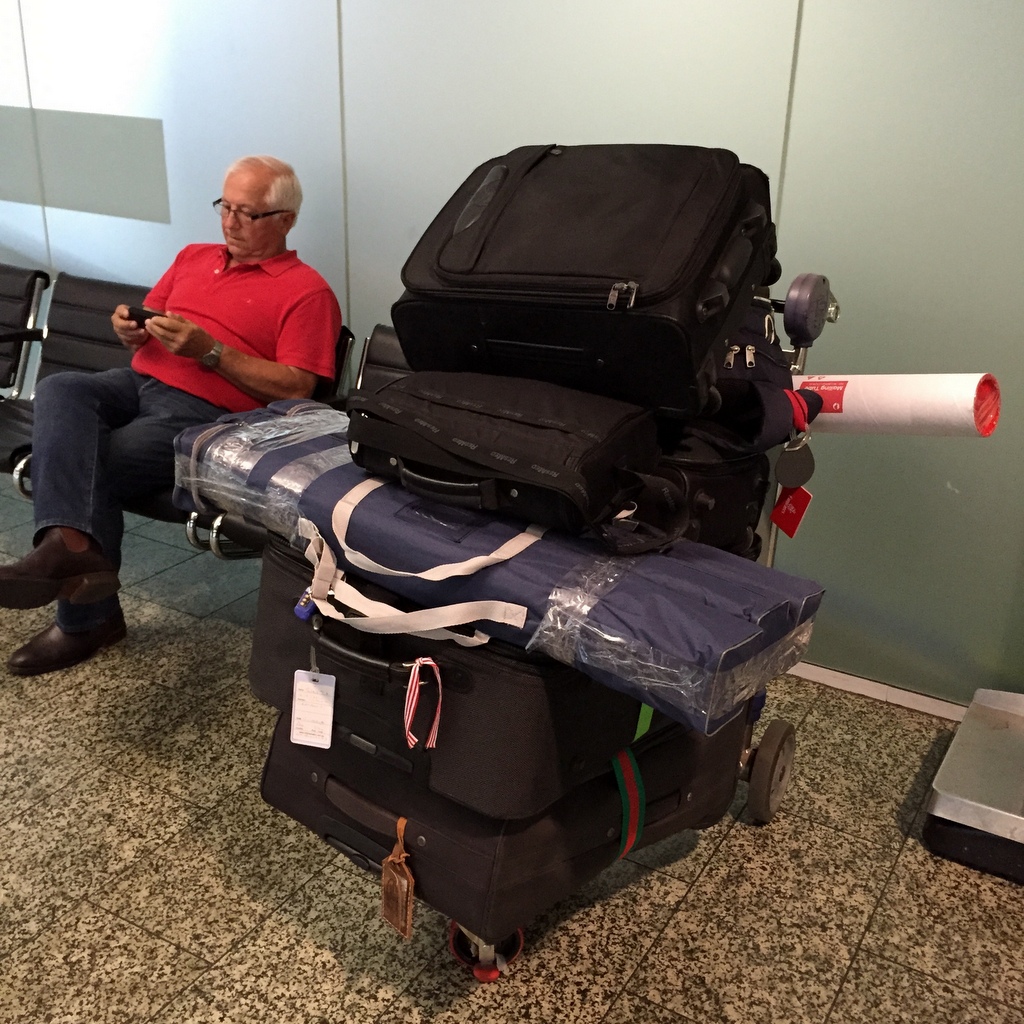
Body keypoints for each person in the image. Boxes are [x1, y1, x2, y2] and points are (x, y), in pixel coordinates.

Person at [0, 155, 342, 675]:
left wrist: (212, 352)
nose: (230, 223)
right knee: (62, 387)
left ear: (285, 220)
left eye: (247, 213)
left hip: (209, 414)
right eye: (225, 207)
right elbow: (149, 319)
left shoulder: (307, 291)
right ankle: (70, 557)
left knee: (88, 466)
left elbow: (298, 387)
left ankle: (81, 607)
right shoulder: (192, 257)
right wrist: (129, 328)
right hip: (138, 382)